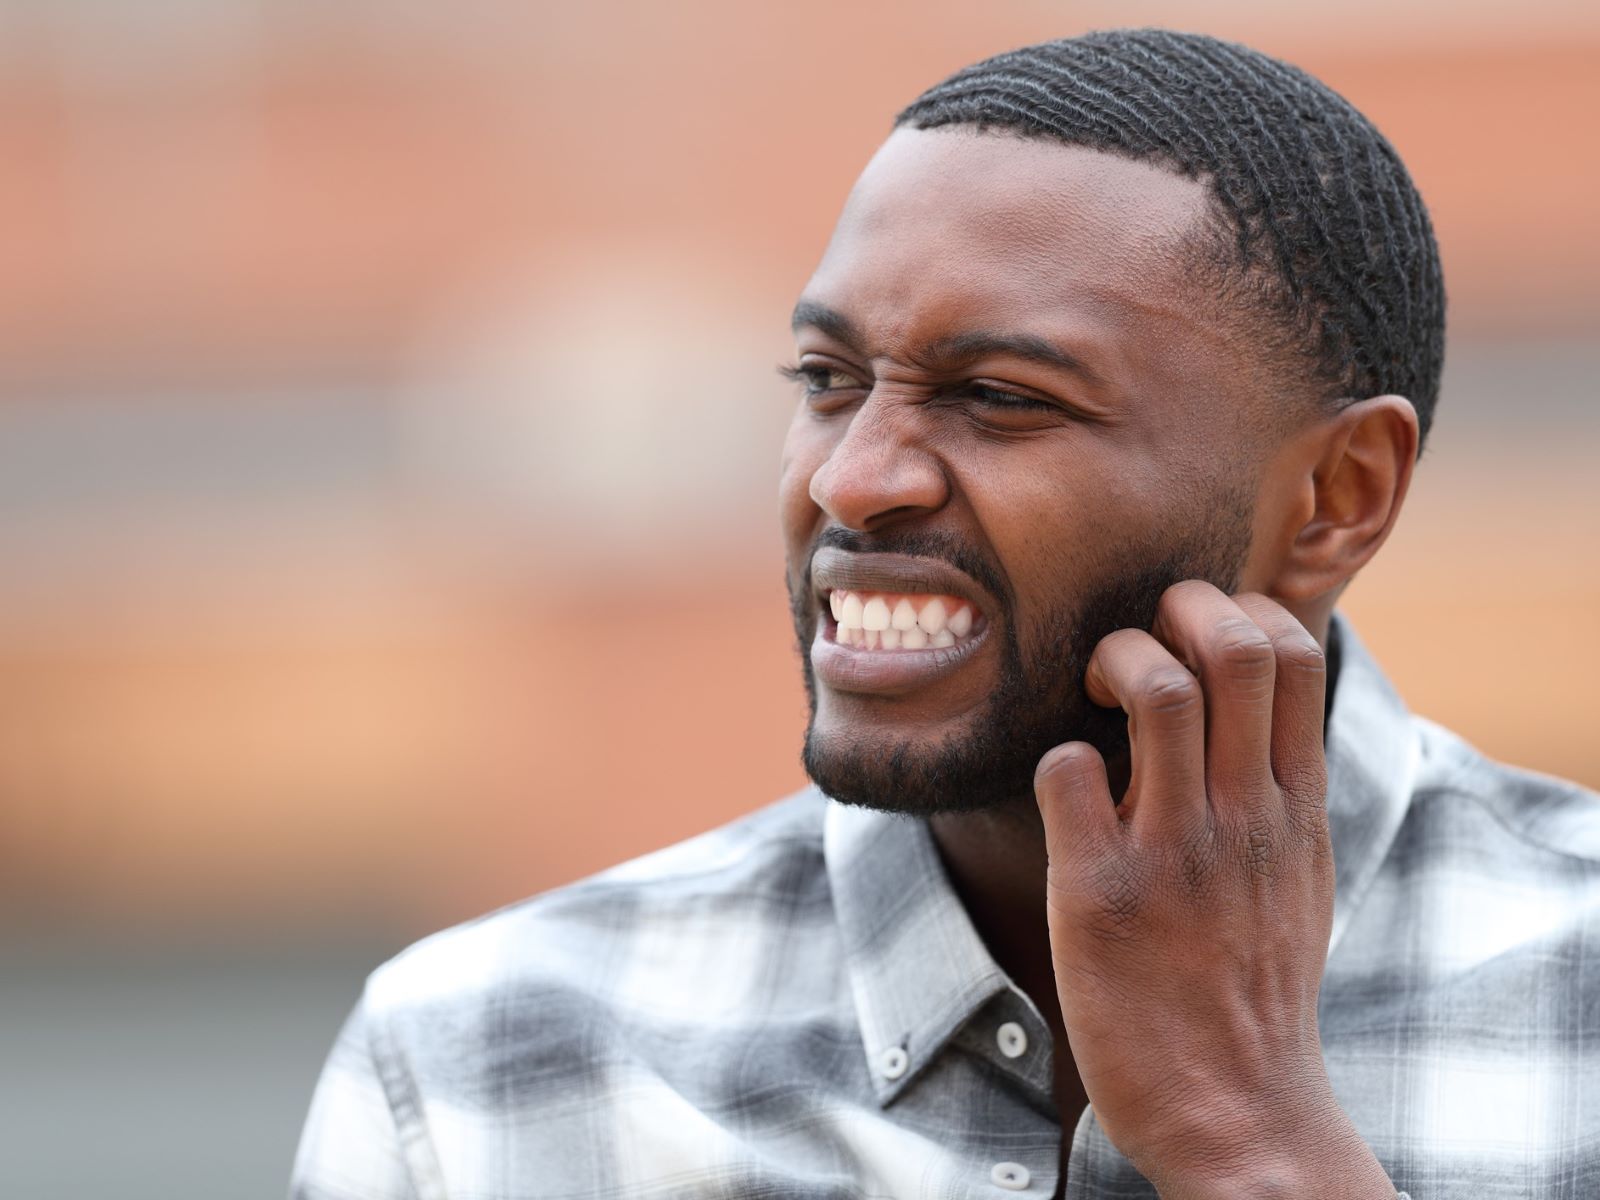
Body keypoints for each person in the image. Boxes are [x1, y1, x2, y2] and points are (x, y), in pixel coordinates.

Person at [290, 29, 1598, 1200]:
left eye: (1003, 399)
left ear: (1334, 498)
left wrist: (1250, 1138)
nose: (855, 476)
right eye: (826, 378)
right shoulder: (487, 1071)